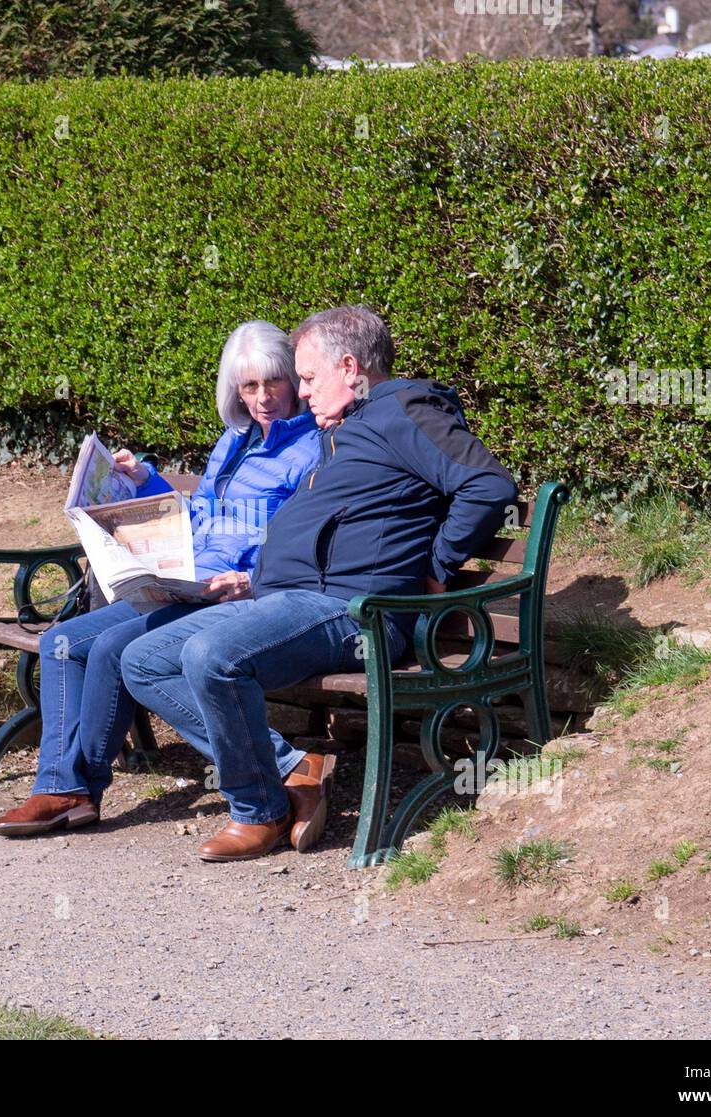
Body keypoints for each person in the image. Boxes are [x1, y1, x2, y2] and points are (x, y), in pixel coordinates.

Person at [120, 305, 519, 861]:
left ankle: (258, 810)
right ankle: (294, 773)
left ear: (350, 366)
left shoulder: (406, 409)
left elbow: (488, 485)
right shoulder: (350, 427)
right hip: (288, 599)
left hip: (353, 611)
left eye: (308, 378)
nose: (301, 393)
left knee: (211, 653)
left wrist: (437, 567)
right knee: (143, 659)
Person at [0, 321, 321, 836]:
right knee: (61, 641)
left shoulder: (312, 449)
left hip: (230, 596)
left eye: (274, 382)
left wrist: (250, 579)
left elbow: (300, 537)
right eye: (249, 386)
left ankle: (79, 788)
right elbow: (201, 517)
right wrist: (146, 483)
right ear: (234, 389)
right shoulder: (234, 442)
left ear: (295, 381)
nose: (263, 398)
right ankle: (59, 786)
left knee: (108, 650)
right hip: (186, 580)